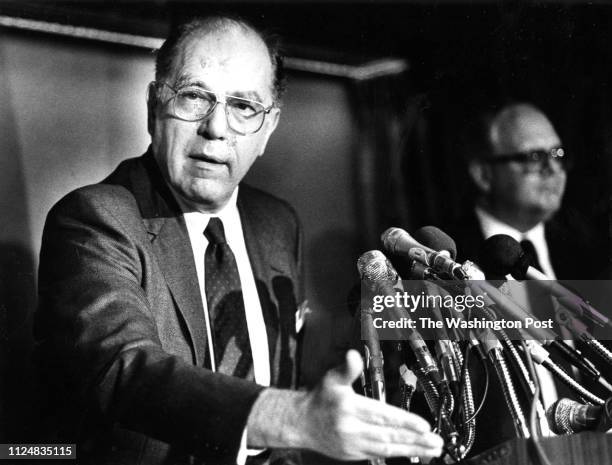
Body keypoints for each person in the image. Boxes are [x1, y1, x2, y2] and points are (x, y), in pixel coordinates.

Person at [34, 16, 443, 465]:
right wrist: (296, 418)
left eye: (244, 107)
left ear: (268, 129)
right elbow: (125, 372)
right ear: (154, 107)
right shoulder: (95, 218)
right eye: (194, 96)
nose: (216, 128)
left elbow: (281, 382)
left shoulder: (277, 223)